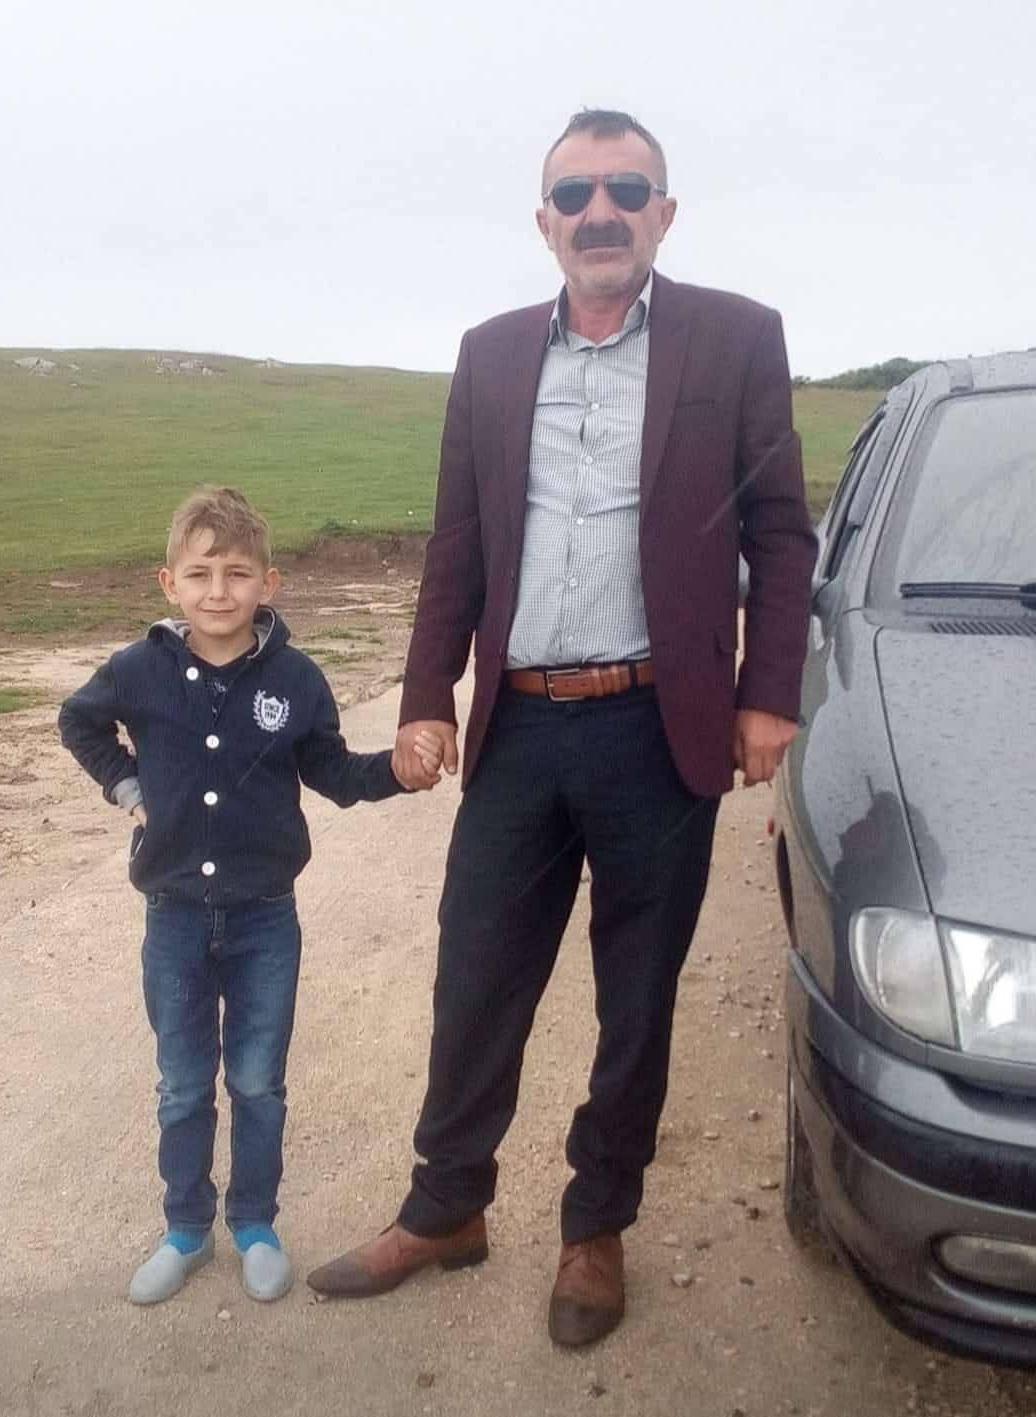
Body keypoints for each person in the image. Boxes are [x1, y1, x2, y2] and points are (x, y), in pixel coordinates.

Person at [306, 108, 817, 1346]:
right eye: (577, 194)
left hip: (660, 725)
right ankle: (447, 1206)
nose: (601, 213)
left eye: (627, 190)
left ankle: (596, 1225)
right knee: (476, 972)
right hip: (522, 728)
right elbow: (458, 543)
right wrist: (425, 697)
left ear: (664, 214)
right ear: (544, 222)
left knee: (635, 994)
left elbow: (780, 534)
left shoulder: (736, 337)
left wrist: (768, 693)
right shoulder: (487, 355)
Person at [58, 487, 438, 1306]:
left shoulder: (295, 679)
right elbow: (78, 720)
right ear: (169, 583)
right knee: (182, 1083)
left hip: (267, 917)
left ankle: (256, 1223)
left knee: (258, 1081)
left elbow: (333, 771)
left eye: (237, 573)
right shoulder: (138, 669)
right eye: (200, 574)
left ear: (269, 582)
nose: (218, 591)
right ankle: (186, 1229)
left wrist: (397, 772)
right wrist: (130, 789)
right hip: (173, 917)